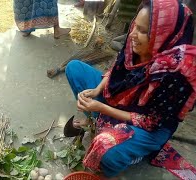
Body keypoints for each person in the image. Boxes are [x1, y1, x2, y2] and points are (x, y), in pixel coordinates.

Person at [65, 0, 196, 178]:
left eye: (143, 31)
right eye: (135, 26)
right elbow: (116, 70)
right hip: (122, 101)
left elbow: (151, 122)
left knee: (106, 150)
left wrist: (101, 108)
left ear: (163, 34)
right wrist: (96, 90)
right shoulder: (134, 43)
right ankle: (98, 122)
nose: (133, 34)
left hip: (150, 126)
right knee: (75, 68)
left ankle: (133, 153)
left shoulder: (174, 73)